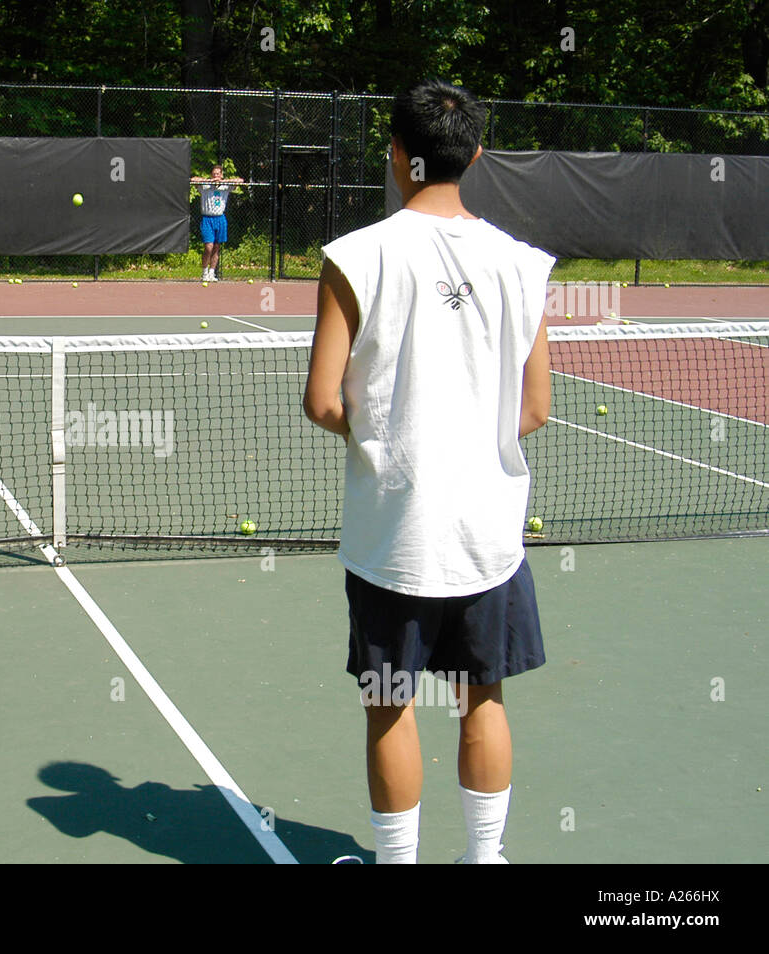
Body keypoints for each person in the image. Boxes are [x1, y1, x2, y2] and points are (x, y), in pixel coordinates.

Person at [302, 79, 555, 865]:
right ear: (475, 155)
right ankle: (486, 860)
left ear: (396, 155)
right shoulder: (523, 264)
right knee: (483, 698)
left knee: (389, 704)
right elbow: (536, 408)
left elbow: (322, 401)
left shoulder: (355, 257)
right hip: (489, 533)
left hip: (393, 532)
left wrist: (393, 439)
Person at [191, 164, 242, 282]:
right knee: (208, 247)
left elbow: (240, 181)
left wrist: (223, 181)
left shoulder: (225, 187)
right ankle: (204, 273)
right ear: (211, 175)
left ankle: (212, 273)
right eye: (214, 174)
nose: (216, 176)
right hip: (207, 219)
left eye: (218, 174)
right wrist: (210, 180)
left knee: (216, 247)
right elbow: (193, 179)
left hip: (220, 219)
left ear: (221, 175)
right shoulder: (205, 186)